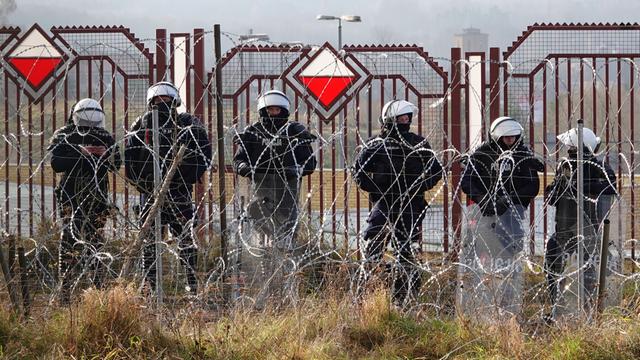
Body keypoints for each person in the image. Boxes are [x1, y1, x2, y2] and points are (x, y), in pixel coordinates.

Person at [352, 99, 443, 307]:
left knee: (405, 248)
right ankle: (372, 291)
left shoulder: (418, 143)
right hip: (384, 202)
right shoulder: (377, 144)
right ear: (390, 120)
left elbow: (436, 169)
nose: (405, 121)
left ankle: (403, 296)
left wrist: (421, 185)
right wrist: (375, 187)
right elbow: (359, 170)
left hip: (411, 202)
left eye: (407, 118)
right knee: (373, 241)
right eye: (400, 118)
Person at [124, 81, 211, 295]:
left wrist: (186, 176)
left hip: (179, 189)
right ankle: (151, 284)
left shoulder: (187, 123)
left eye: (166, 100)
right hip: (150, 192)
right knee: (149, 239)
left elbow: (203, 155)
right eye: (157, 100)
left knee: (185, 236)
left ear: (175, 102)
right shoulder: (142, 125)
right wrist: (143, 184)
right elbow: (130, 160)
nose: (162, 103)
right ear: (150, 103)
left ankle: (191, 283)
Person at [233, 89, 317, 305]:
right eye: (269, 109)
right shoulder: (252, 132)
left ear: (285, 111)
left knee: (286, 235)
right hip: (260, 188)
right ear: (263, 110)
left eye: (277, 109)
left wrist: (296, 168)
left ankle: (286, 282)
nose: (273, 113)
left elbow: (310, 162)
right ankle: (264, 277)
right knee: (260, 229)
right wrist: (244, 167)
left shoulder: (294, 131)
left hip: (287, 189)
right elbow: (239, 158)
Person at [458, 116, 543, 318]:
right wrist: (482, 199)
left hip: (512, 215)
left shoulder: (523, 154)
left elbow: (532, 186)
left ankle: (507, 303)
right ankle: (480, 303)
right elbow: (467, 181)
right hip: (482, 215)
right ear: (496, 137)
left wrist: (510, 200)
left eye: (514, 138)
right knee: (482, 258)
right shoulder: (482, 154)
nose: (510, 142)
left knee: (509, 257)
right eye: (506, 139)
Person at [48, 98, 121, 304]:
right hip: (70, 196)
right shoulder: (65, 134)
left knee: (95, 242)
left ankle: (97, 289)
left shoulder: (104, 136)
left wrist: (105, 154)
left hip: (97, 197)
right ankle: (65, 288)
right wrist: (82, 153)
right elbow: (56, 163)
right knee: (69, 239)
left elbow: (117, 163)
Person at [544, 126, 617, 319]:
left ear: (581, 147)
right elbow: (550, 197)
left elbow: (611, 186)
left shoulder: (598, 167)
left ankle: (590, 311)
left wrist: (582, 186)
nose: (568, 149)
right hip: (565, 229)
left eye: (571, 146)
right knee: (551, 262)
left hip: (589, 230)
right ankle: (556, 307)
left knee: (588, 272)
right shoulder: (565, 167)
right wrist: (561, 186)